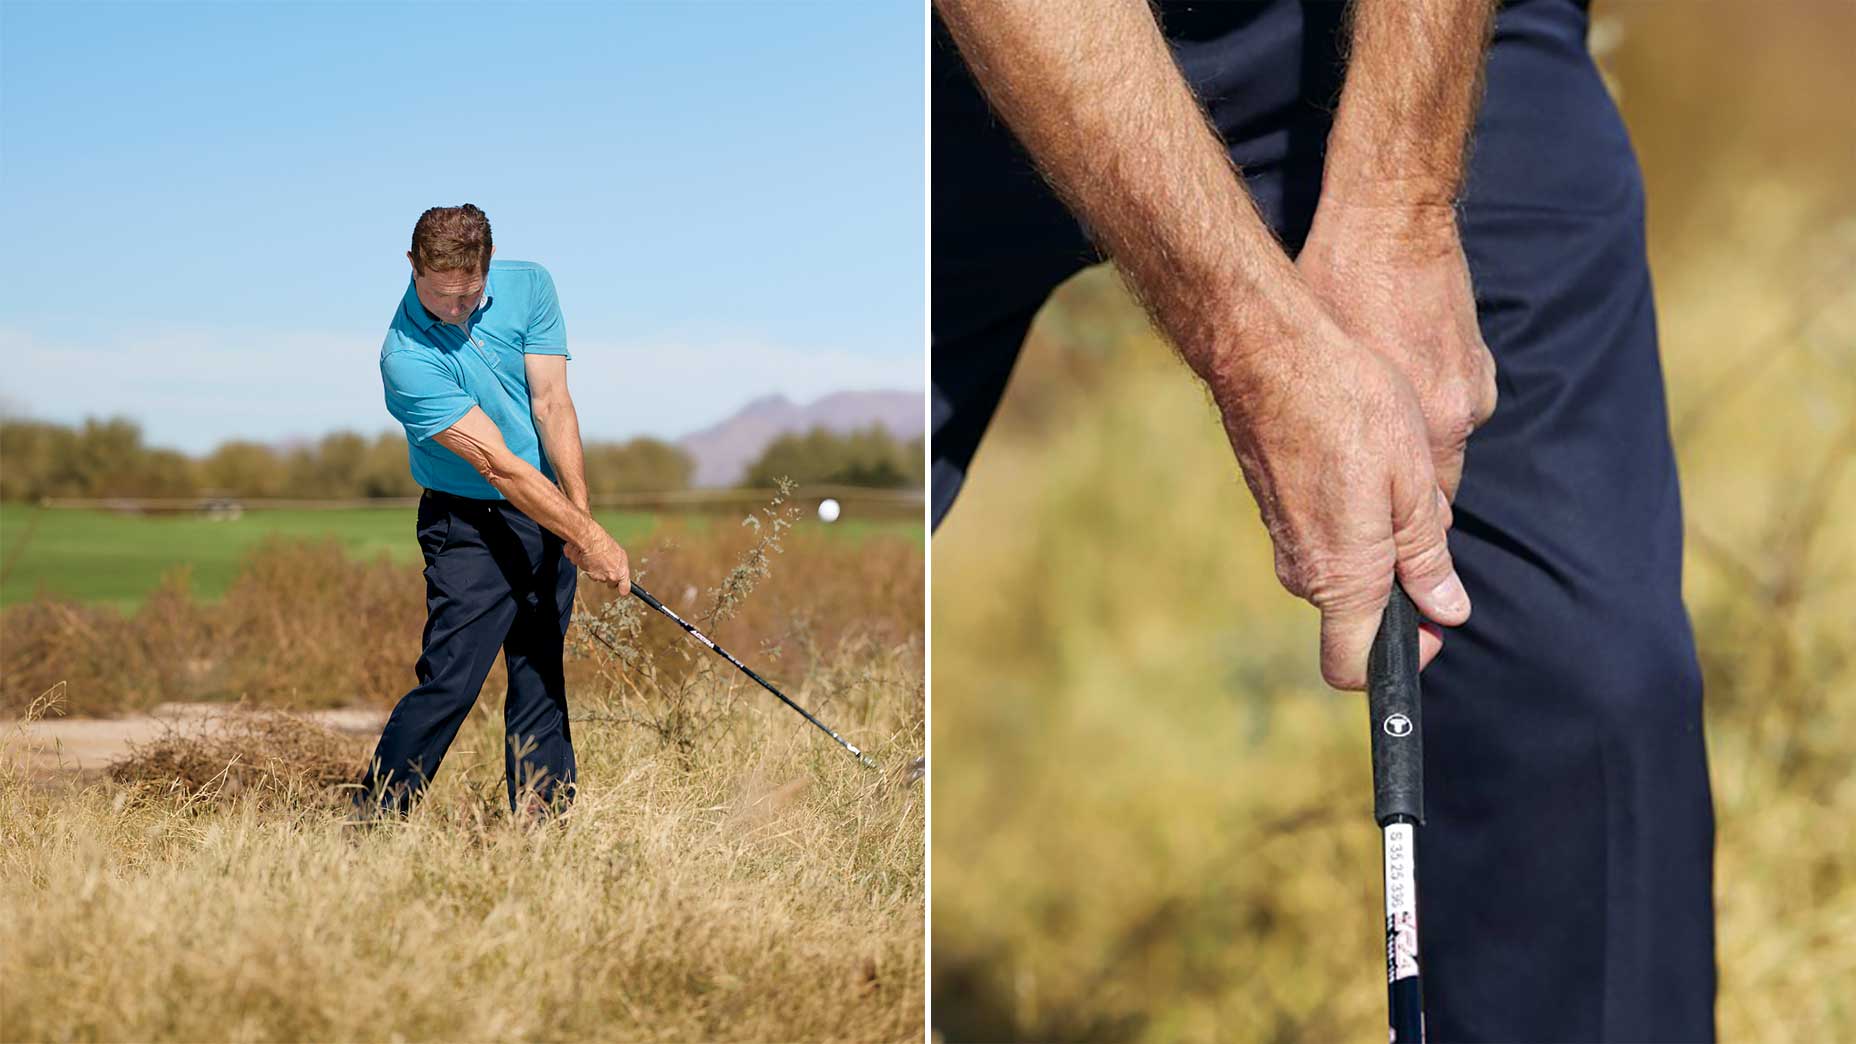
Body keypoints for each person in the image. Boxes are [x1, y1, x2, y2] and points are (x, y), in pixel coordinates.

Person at [932, 0, 1714, 1039]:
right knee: (835, 575)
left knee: (1581, 678)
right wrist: (1255, 342)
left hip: (1395, 41)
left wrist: (1401, 208)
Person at [352, 204, 630, 824]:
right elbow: (499, 466)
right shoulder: (406, 358)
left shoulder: (530, 285)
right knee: (451, 679)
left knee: (539, 671)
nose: (453, 310)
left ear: (488, 269)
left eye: (468, 295)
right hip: (467, 523)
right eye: (439, 296)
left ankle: (542, 828)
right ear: (413, 268)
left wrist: (578, 522)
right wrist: (586, 535)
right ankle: (373, 822)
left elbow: (553, 402)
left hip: (547, 508)